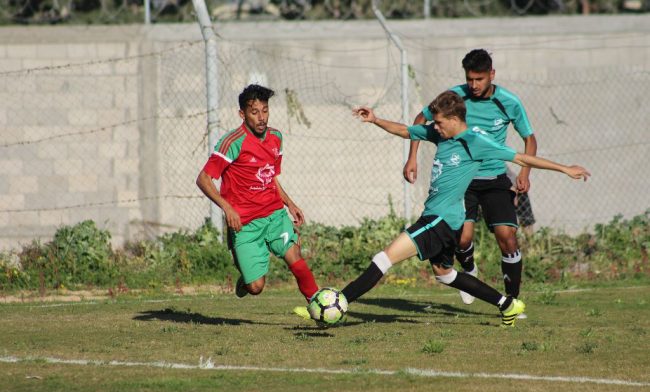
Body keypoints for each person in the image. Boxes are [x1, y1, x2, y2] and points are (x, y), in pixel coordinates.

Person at [297, 91, 589, 327]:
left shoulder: (476, 142)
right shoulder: (440, 134)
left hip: (441, 220)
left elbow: (523, 157)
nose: (433, 128)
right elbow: (405, 130)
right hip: (440, 219)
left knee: (384, 258)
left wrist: (565, 169)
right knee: (445, 274)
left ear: (454, 118)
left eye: (438, 123)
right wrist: (375, 120)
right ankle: (508, 304)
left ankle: (335, 305)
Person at [404, 49, 537, 307]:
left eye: (480, 79)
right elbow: (421, 119)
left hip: (496, 177)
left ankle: (513, 301)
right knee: (463, 239)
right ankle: (469, 268)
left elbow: (529, 139)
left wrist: (524, 173)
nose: (474, 85)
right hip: (462, 179)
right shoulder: (455, 97)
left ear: (492, 75)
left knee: (507, 237)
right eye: (470, 79)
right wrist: (412, 157)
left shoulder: (508, 102)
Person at [196, 84, 319, 303]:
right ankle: (245, 274)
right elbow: (203, 179)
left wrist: (290, 204)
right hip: (245, 223)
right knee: (255, 287)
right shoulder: (232, 142)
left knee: (295, 256)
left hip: (274, 215)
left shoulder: (276, 138)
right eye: (255, 112)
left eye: (265, 111)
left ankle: (319, 305)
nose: (261, 117)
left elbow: (269, 177)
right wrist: (227, 208)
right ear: (242, 114)